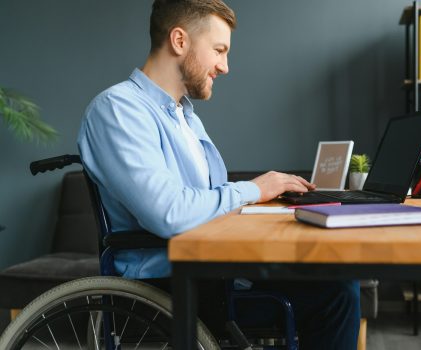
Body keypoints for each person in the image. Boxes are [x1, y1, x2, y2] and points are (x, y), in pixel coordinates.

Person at [77, 0, 359, 348]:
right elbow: (170, 213)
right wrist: (252, 191)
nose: (224, 66)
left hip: (212, 271)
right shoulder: (118, 110)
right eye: (219, 50)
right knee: (337, 295)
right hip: (172, 283)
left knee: (336, 281)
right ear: (179, 41)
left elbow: (207, 200)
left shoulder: (184, 116)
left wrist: (270, 198)